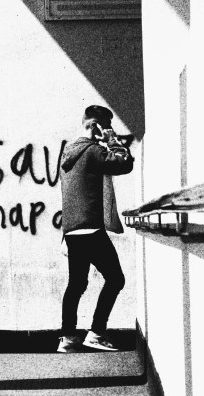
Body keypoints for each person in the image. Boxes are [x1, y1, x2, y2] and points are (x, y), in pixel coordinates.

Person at [57, 104, 134, 353]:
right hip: (90, 229)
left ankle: (68, 338)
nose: (108, 131)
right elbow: (124, 163)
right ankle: (97, 333)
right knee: (116, 279)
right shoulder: (93, 152)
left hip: (72, 232)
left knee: (76, 285)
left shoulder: (68, 152)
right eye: (106, 125)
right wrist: (111, 138)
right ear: (95, 126)